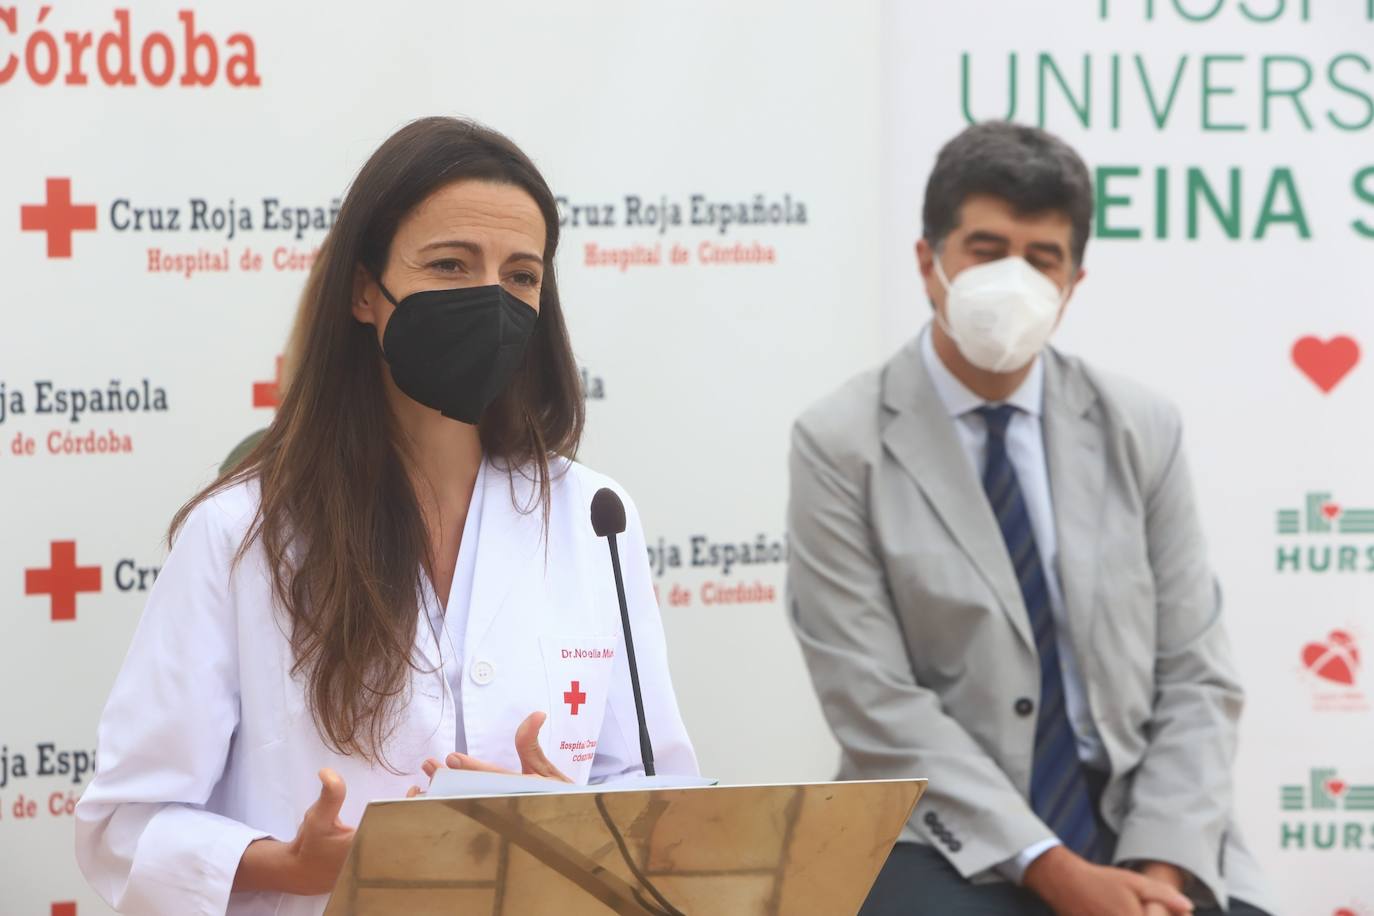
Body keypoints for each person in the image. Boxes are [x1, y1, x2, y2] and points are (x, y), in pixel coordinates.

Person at [75, 117, 697, 916]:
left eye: (521, 276)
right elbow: (124, 826)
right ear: (365, 290)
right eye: (450, 265)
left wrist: (578, 829)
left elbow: (660, 796)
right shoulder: (242, 536)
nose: (492, 301)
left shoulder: (596, 518)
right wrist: (288, 864)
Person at [786, 121, 1270, 916]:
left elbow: (1195, 672)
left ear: (1074, 281)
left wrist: (1159, 873)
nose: (1013, 277)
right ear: (928, 262)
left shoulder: (1139, 425)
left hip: (1138, 821)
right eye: (986, 248)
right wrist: (1053, 869)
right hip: (940, 827)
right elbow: (873, 699)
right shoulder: (840, 443)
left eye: (1042, 258)